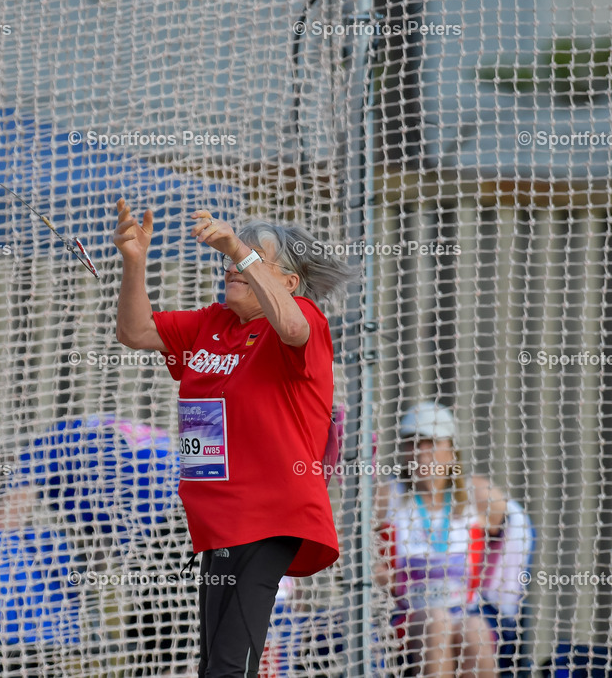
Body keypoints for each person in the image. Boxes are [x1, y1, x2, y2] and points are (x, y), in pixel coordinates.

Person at [113, 198, 353, 677]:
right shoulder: (213, 323)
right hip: (217, 518)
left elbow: (291, 325)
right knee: (214, 665)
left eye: (250, 258)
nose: (232, 265)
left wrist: (235, 246)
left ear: (287, 281)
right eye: (231, 258)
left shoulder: (302, 319)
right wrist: (135, 264)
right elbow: (135, 332)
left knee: (229, 665)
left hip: (275, 514)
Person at [376, 401, 515, 678]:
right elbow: (357, 550)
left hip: (466, 608)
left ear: (451, 450)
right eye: (413, 444)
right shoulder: (388, 496)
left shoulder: (473, 495)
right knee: (436, 623)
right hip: (410, 612)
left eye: (432, 443)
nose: (422, 453)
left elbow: (518, 530)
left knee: (474, 632)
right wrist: (382, 576)